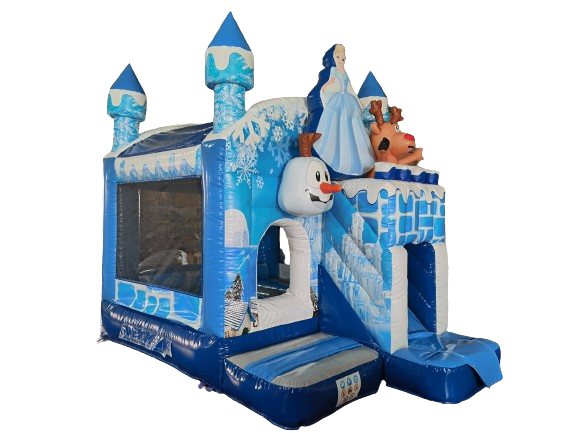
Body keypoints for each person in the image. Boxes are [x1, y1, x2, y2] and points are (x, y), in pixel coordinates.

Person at [304, 44, 375, 179]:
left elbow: (350, 88)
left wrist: (358, 102)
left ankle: (355, 159)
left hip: (348, 101)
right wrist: (323, 89)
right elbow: (329, 82)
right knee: (335, 122)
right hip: (338, 100)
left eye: (343, 59)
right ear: (332, 58)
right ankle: (335, 153)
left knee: (353, 127)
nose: (341, 61)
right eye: (338, 58)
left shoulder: (345, 74)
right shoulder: (333, 71)